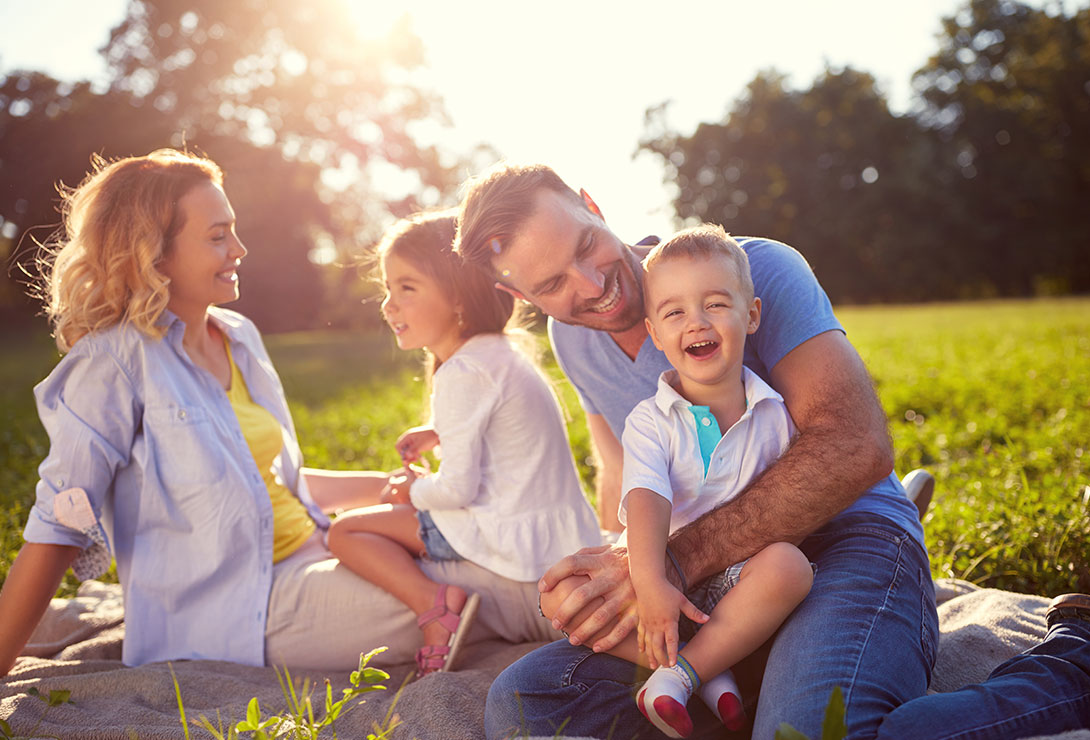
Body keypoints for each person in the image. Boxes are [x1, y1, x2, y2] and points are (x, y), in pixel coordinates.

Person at [455, 163, 1090, 739]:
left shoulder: (756, 268)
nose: (593, 284)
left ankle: (1074, 665)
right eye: (553, 283)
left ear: (591, 203)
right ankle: (741, 687)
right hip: (714, 585)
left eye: (585, 245)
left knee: (811, 735)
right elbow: (623, 473)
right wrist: (617, 576)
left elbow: (855, 446)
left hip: (845, 537)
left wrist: (672, 562)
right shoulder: (575, 342)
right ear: (521, 298)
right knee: (526, 701)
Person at [0, 151, 567, 678]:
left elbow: (274, 486)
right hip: (246, 607)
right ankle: (585, 608)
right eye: (218, 237)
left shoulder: (237, 337)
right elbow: (60, 525)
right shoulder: (112, 363)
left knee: (469, 550)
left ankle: (591, 595)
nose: (239, 249)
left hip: (314, 549)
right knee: (466, 581)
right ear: (155, 253)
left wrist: (396, 489)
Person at [541, 225, 814, 738]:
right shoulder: (650, 420)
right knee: (562, 595)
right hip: (658, 577)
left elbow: (791, 510)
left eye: (715, 304)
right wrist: (650, 585)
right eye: (674, 313)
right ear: (656, 332)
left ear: (750, 315)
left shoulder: (775, 414)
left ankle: (679, 676)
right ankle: (710, 670)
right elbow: (645, 500)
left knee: (791, 567)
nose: (696, 322)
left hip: (738, 583)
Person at [325, 211, 601, 677]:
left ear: (456, 297)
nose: (389, 305)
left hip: (510, 543)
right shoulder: (500, 353)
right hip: (559, 536)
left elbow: (456, 491)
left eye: (407, 288)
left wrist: (409, 491)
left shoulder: (462, 371)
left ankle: (436, 606)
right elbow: (499, 426)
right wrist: (437, 430)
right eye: (389, 288)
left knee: (345, 532)